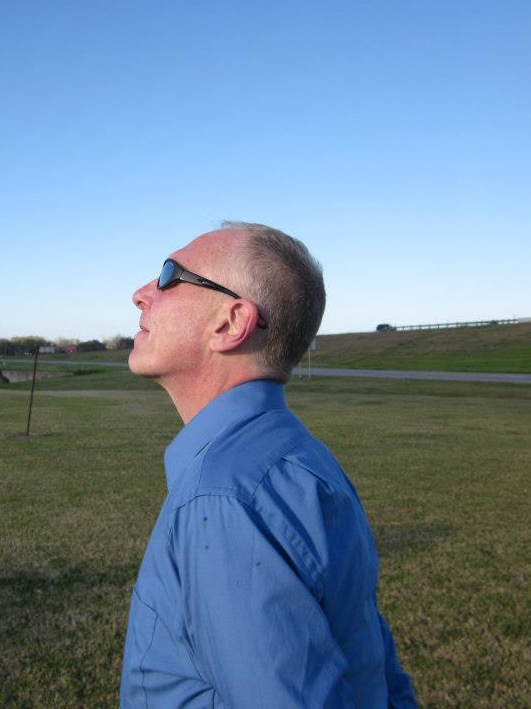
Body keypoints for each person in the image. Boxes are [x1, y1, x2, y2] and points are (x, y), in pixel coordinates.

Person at [120, 222, 417, 708]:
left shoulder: (226, 495)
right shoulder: (299, 459)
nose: (141, 294)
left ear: (231, 323)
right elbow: (374, 662)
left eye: (170, 275)